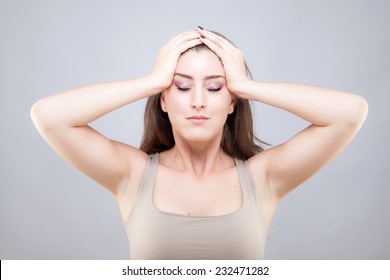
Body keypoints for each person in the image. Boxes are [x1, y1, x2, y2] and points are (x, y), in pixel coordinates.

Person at [31, 27, 368, 259]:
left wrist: (246, 86)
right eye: (181, 87)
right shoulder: (132, 174)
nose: (197, 101)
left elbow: (350, 112)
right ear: (163, 99)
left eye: (215, 87)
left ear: (232, 101)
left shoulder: (262, 177)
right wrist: (152, 81)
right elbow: (48, 116)